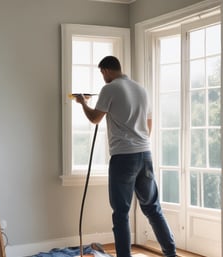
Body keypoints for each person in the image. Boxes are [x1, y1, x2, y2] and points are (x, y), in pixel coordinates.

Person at [74, 56, 176, 257]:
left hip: (123, 158)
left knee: (121, 213)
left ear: (106, 71)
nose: (103, 77)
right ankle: (171, 253)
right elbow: (149, 125)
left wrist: (83, 103)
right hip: (145, 154)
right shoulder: (141, 89)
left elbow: (95, 118)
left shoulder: (110, 88)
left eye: (102, 73)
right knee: (153, 208)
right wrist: (138, 142)